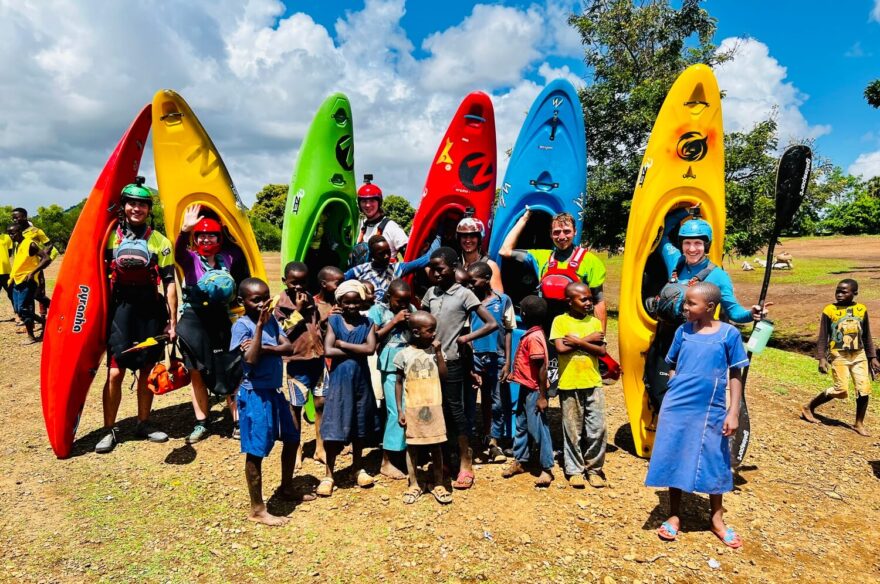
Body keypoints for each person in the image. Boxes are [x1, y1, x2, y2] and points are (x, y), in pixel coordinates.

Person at [645, 282, 748, 549]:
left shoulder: (729, 334)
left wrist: (733, 411)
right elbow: (672, 365)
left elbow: (736, 374)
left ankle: (716, 518)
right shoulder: (683, 331)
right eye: (685, 302)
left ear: (710, 307)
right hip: (678, 406)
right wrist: (674, 389)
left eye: (691, 303)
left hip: (711, 407)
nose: (684, 307)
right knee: (675, 454)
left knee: (716, 457)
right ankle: (674, 515)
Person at [643, 208, 768, 410]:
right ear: (682, 244)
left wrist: (751, 314)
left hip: (693, 344)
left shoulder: (718, 276)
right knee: (657, 393)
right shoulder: (676, 261)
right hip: (664, 338)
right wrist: (684, 211)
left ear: (706, 245)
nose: (692, 249)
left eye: (698, 243)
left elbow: (734, 311)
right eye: (687, 243)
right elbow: (663, 234)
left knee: (683, 400)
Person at [95, 178, 178, 454]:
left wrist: (172, 321)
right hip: (121, 311)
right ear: (123, 206)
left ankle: (144, 423)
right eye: (132, 203)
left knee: (146, 370)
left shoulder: (160, 241)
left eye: (142, 204)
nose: (136, 209)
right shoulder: (109, 237)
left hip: (149, 311)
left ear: (148, 209)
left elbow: (169, 282)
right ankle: (109, 429)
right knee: (115, 372)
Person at [232, 277, 312, 526]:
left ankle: (286, 486)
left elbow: (287, 348)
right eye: (255, 300)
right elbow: (251, 359)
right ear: (241, 301)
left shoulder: (273, 322)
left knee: (292, 438)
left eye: (265, 298)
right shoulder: (242, 326)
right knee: (256, 452)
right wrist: (258, 332)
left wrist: (264, 346)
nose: (262, 304)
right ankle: (257, 508)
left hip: (275, 392)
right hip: (255, 394)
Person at [422, 246, 498, 490]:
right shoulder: (431, 293)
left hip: (453, 362)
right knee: (437, 409)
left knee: (455, 411)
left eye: (440, 268)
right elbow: (422, 320)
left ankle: (466, 461)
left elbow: (491, 323)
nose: (434, 273)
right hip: (429, 362)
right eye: (432, 268)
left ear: (454, 268)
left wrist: (466, 338)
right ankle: (443, 460)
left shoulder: (464, 294)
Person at [175, 204, 247, 443]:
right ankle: (201, 422)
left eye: (212, 235)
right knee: (197, 372)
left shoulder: (229, 257)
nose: (206, 239)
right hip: (194, 321)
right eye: (201, 235)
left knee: (231, 368)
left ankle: (237, 422)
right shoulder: (190, 259)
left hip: (220, 320)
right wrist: (184, 230)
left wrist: (230, 223)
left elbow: (242, 246)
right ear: (195, 238)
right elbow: (177, 253)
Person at [318, 280, 380, 497]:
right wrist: (357, 349)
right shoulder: (334, 321)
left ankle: (357, 467)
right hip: (340, 380)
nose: (352, 306)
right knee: (335, 424)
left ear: (362, 302)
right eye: (347, 302)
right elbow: (328, 350)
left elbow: (371, 349)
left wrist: (343, 345)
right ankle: (329, 474)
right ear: (340, 302)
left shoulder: (368, 322)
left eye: (356, 302)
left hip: (361, 380)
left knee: (359, 423)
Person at [499, 210, 606, 329]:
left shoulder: (591, 261)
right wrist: (524, 219)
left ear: (575, 232)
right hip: (545, 325)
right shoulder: (541, 257)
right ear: (550, 234)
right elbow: (505, 251)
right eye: (556, 232)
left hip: (575, 328)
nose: (561, 236)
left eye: (567, 231)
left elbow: (598, 301)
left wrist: (601, 338)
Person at [801, 279, 879, 436]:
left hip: (859, 354)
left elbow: (866, 335)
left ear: (854, 293)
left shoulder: (861, 309)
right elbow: (823, 336)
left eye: (844, 292)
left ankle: (859, 423)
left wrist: (873, 357)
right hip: (838, 354)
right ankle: (808, 407)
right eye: (838, 291)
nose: (840, 294)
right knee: (841, 390)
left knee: (864, 389)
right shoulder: (829, 310)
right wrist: (821, 357)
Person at [550, 282, 608, 488]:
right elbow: (560, 348)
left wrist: (577, 341)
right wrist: (588, 341)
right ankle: (574, 469)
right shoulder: (559, 321)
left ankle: (594, 469)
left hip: (593, 382)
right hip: (569, 383)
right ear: (569, 301)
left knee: (597, 428)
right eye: (583, 299)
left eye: (590, 299)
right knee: (572, 429)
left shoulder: (594, 322)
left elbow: (601, 352)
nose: (588, 302)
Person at [395, 311, 451, 505]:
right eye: (430, 330)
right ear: (416, 332)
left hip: (434, 406)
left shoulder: (437, 352)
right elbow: (399, 382)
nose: (434, 334)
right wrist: (400, 410)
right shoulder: (404, 354)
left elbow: (444, 376)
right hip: (412, 407)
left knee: (436, 446)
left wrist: (438, 353)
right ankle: (414, 483)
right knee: (412, 446)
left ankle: (438, 483)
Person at [273, 261, 325, 469]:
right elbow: (281, 331)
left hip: (317, 360)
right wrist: (298, 311)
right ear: (285, 281)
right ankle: (296, 448)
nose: (298, 287)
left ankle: (320, 447)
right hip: (297, 362)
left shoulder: (312, 300)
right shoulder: (281, 305)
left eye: (302, 283)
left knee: (321, 404)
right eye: (294, 283)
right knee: (296, 406)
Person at [501, 295, 554, 487]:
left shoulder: (534, 338)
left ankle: (547, 468)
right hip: (526, 387)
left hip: (534, 391)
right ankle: (520, 460)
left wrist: (542, 396)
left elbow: (541, 368)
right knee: (522, 425)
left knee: (539, 428)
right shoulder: (533, 333)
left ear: (524, 314)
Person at [466, 261, 514, 462]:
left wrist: (507, 362)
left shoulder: (503, 301)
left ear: (486, 280)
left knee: (496, 402)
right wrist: (469, 364)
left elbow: (509, 330)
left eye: (473, 280)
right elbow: (466, 333)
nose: (469, 284)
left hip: (497, 358)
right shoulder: (468, 302)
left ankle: (493, 442)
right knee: (469, 402)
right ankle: (468, 444)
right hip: (474, 358)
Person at [368, 279, 416, 479]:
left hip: (410, 362)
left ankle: (406, 453)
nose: (403, 305)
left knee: (410, 408)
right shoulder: (377, 310)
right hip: (390, 365)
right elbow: (373, 338)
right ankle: (387, 460)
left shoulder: (411, 307)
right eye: (399, 301)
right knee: (396, 411)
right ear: (389, 297)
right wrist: (394, 321)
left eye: (407, 301)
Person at [344, 234, 437, 302]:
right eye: (381, 253)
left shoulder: (396, 269)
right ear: (372, 255)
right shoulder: (360, 270)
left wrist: (439, 235)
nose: (386, 256)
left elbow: (427, 258)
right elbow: (339, 281)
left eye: (388, 252)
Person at [7, 223, 53, 344]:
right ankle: (42, 325)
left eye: (14, 233)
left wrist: (33, 272)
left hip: (28, 281)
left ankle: (42, 326)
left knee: (24, 308)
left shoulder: (30, 243)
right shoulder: (18, 244)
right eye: (10, 233)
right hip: (17, 281)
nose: (12, 235)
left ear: (20, 231)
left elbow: (46, 258)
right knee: (19, 310)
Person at [350, 174, 409, 265]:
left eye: (372, 201)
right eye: (364, 201)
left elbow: (408, 253)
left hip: (386, 276)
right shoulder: (360, 226)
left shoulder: (390, 226)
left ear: (379, 202)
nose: (368, 205)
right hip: (361, 275)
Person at [11, 208, 54, 321]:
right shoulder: (15, 231)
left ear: (24, 217)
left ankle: (51, 313)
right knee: (27, 296)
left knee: (38, 294)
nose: (14, 220)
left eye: (17, 217)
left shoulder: (35, 231)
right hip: (21, 270)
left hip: (35, 268)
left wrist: (42, 258)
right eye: (13, 218)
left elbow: (49, 244)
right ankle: (30, 321)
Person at [456, 217, 502, 292]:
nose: (468, 240)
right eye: (464, 236)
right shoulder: (456, 263)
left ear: (479, 239)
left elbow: (498, 299)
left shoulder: (490, 265)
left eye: (472, 236)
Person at [0, 228, 14, 316]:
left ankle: (18, 315)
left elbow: (9, 253)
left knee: (12, 294)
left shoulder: (7, 237)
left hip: (6, 271)